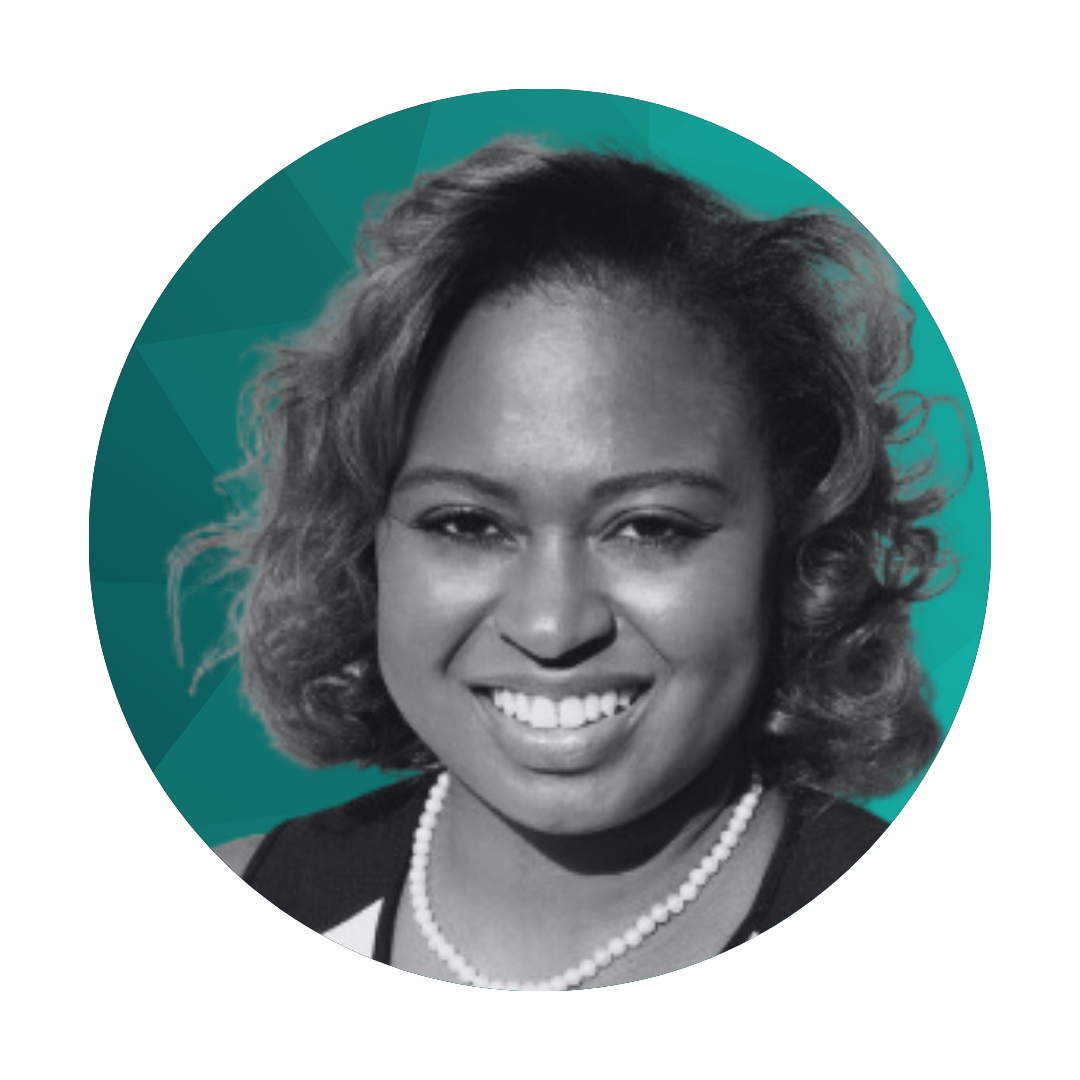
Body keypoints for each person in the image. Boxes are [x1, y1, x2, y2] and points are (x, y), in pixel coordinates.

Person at [168, 136, 967, 990]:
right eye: (468, 523)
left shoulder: (923, 931)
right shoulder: (257, 880)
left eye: (650, 527)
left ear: (801, 549)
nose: (552, 626)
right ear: (366, 545)